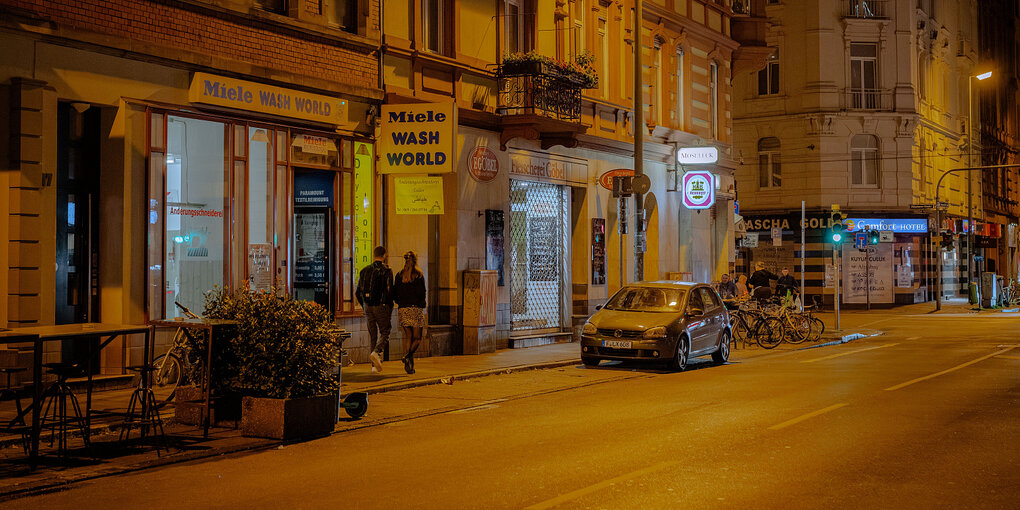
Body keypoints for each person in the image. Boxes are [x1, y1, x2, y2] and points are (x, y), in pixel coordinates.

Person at [356, 246, 393, 373]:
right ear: (384, 255)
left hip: (368, 306)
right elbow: (389, 291)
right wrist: (388, 307)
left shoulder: (364, 270)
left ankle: (374, 366)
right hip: (380, 305)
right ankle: (377, 352)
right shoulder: (386, 270)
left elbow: (357, 292)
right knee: (385, 331)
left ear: (373, 255)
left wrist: (364, 305)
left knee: (373, 335)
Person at [392, 250, 427, 375]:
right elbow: (422, 292)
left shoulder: (399, 275)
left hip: (403, 309)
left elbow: (394, 292)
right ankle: (407, 356)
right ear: (415, 260)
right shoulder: (418, 275)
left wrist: (400, 303)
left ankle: (410, 366)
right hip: (415, 309)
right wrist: (422, 305)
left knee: (409, 337)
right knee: (417, 338)